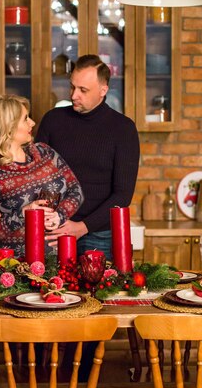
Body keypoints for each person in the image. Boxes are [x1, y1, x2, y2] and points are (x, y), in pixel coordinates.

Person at [36, 54, 140, 259]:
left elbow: (123, 195)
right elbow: (38, 178)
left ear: (103, 90)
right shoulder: (53, 120)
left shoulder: (123, 129)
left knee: (95, 291)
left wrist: (82, 227)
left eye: (83, 90)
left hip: (99, 234)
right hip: (54, 230)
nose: (74, 95)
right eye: (72, 87)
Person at [0, 94, 83, 257]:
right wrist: (24, 213)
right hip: (17, 270)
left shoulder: (44, 152)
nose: (32, 123)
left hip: (61, 260)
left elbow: (75, 190)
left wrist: (59, 216)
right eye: (25, 119)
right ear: (7, 127)